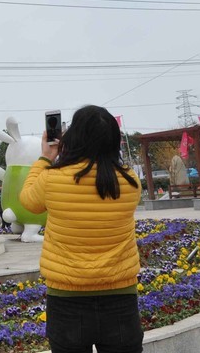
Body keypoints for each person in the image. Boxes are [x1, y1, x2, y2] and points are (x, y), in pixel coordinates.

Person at [19, 105, 144, 353]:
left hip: (66, 300)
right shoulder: (130, 182)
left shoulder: (53, 178)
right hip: (120, 299)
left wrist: (46, 158)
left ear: (72, 137)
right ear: (113, 139)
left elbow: (27, 201)